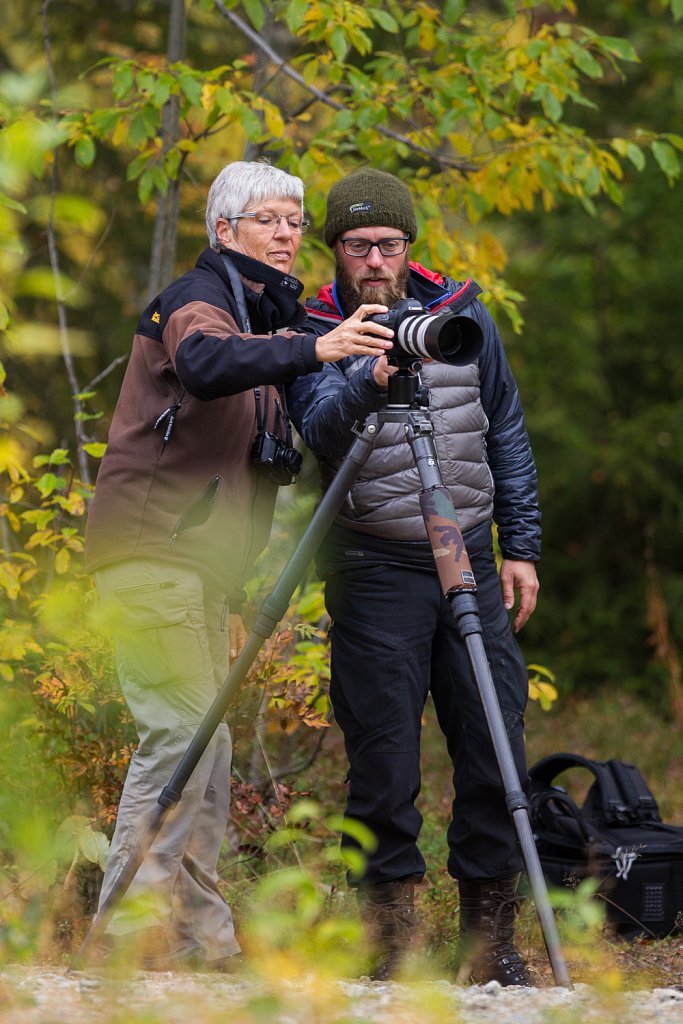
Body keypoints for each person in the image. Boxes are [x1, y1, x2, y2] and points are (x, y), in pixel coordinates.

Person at [83, 161, 393, 971]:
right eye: (267, 219)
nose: (288, 233)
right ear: (225, 231)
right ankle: (125, 942)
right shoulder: (198, 300)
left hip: (195, 571)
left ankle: (201, 942)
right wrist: (313, 344)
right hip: (150, 552)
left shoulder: (262, 315)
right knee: (179, 739)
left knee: (206, 748)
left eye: (294, 220)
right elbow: (207, 366)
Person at [286, 168, 541, 984]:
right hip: (372, 565)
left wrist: (521, 545)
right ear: (335, 251)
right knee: (384, 762)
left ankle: (488, 946)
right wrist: (364, 376)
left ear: (409, 247)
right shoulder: (315, 328)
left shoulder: (462, 314)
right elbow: (320, 432)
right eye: (356, 246)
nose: (372, 259)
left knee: (493, 744)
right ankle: (387, 944)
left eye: (386, 244)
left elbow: (505, 427)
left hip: (466, 551)